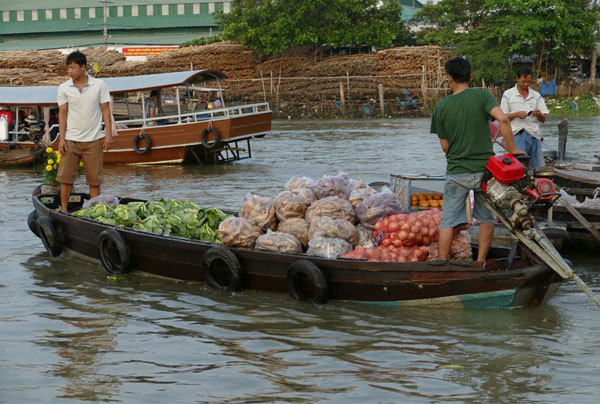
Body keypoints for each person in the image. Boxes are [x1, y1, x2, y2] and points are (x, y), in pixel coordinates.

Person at [430, 57, 525, 263]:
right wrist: (512, 149)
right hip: (486, 171)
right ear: (471, 77)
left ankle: (443, 264)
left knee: (447, 221)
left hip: (457, 172)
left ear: (449, 79)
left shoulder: (441, 107)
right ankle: (480, 262)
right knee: (486, 217)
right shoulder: (482, 96)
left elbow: (445, 146)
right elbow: (502, 119)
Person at [56, 50, 113, 213]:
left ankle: (93, 211)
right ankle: (64, 209)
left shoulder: (99, 85)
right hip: (71, 140)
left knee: (94, 180)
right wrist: (62, 139)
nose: (70, 71)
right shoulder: (64, 88)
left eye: (73, 67)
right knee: (65, 178)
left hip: (94, 140)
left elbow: (106, 111)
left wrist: (108, 134)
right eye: (68, 68)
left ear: (83, 67)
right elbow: (63, 113)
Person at [500, 67, 549, 169]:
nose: (526, 84)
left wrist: (539, 114)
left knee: (538, 168)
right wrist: (516, 114)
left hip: (534, 135)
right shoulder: (508, 94)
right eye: (524, 81)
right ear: (517, 79)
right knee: (519, 167)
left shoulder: (536, 96)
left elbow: (543, 119)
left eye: (529, 81)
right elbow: (502, 117)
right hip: (516, 135)